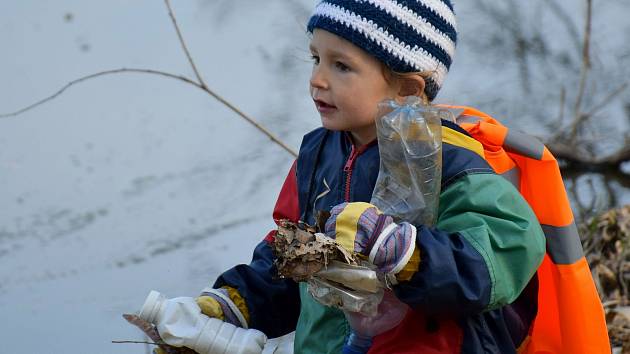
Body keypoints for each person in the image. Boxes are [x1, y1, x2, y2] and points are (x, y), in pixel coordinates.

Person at [194, 1, 610, 353]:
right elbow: (290, 256)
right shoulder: (317, 154)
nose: (317, 79)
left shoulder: (450, 158)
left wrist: (407, 253)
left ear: (408, 90)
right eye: (316, 58)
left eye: (342, 66)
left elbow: (506, 252)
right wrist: (234, 304)